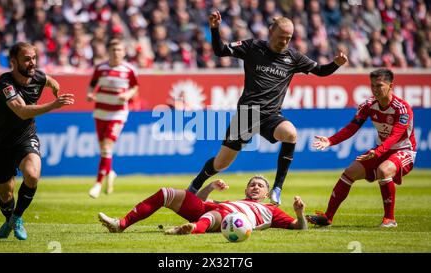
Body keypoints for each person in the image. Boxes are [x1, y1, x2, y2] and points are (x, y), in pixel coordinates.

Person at [187, 11, 348, 205]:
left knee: (291, 134)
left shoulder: (293, 57)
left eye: (289, 38)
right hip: (247, 114)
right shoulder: (252, 47)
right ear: (271, 32)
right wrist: (214, 28)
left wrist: (336, 64)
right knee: (221, 163)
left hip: (271, 115)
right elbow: (220, 50)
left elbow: (321, 72)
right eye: (281, 37)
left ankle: (277, 188)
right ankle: (194, 186)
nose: (285, 41)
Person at [307, 68, 416, 228]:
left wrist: (377, 152)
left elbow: (394, 137)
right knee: (350, 172)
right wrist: (330, 141)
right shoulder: (368, 105)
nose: (375, 90)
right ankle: (327, 217)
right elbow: (352, 127)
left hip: (403, 150)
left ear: (391, 85)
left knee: (384, 171)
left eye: (379, 86)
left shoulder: (402, 109)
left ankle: (390, 219)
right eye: (372, 86)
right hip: (380, 149)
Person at [0, 42, 74, 240]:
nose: (31, 63)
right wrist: (54, 104)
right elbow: (22, 111)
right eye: (26, 59)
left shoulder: (38, 76)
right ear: (13, 61)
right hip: (0, 144)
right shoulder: (4, 84)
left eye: (34, 58)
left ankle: (17, 218)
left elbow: (52, 82)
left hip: (25, 138)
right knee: (5, 194)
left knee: (32, 175)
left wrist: (55, 89)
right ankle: (9, 218)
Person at [98, 175, 308, 235]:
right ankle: (121, 224)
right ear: (245, 190)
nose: (255, 187)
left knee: (215, 216)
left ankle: (191, 229)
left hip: (231, 220)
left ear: (266, 193)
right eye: (252, 184)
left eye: (260, 186)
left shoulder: (271, 211)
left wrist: (300, 214)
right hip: (217, 210)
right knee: (165, 193)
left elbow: (300, 228)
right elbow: (200, 200)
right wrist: (210, 187)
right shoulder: (234, 201)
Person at [87, 38, 139, 199]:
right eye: (113, 50)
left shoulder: (129, 69)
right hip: (100, 112)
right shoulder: (100, 68)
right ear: (108, 52)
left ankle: (97, 183)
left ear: (124, 52)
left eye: (119, 50)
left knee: (107, 147)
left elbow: (135, 87)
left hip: (118, 113)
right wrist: (90, 94)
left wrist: (128, 95)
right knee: (103, 148)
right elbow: (92, 84)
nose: (116, 53)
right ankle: (110, 172)